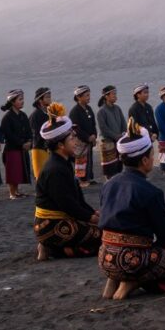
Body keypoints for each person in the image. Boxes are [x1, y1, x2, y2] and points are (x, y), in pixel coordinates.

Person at [98, 119, 165, 300]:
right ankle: (133, 281)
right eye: (153, 155)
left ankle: (114, 278)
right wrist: (160, 252)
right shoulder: (150, 192)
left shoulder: (109, 184)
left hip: (104, 257)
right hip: (132, 261)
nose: (154, 158)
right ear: (144, 160)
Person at [34, 102, 102, 260]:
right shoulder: (55, 170)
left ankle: (53, 246)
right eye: (72, 138)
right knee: (104, 237)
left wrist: (93, 213)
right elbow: (68, 205)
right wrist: (92, 219)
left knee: (103, 231)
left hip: (62, 218)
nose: (76, 141)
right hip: (51, 225)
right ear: (60, 145)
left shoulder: (63, 163)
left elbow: (77, 198)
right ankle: (51, 248)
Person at [0, 89, 33, 199]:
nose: (22, 101)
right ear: (13, 102)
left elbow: (29, 130)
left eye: (22, 99)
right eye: (20, 99)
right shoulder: (7, 117)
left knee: (19, 170)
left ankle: (17, 191)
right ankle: (12, 192)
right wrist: (21, 143)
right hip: (12, 148)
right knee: (13, 171)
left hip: (22, 148)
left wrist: (29, 141)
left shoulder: (23, 115)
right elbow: (8, 135)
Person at [70, 85, 98, 187]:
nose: (89, 97)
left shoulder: (88, 108)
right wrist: (87, 137)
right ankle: (82, 180)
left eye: (89, 95)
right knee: (81, 160)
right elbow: (76, 128)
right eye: (86, 95)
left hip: (89, 139)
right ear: (79, 97)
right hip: (80, 141)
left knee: (89, 159)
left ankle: (89, 177)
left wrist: (94, 135)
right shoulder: (75, 111)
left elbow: (93, 124)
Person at [96, 86, 125, 180]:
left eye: (115, 94)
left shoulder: (118, 108)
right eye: (113, 94)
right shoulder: (101, 111)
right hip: (107, 143)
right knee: (110, 169)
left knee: (119, 165)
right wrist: (116, 136)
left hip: (119, 141)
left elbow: (123, 123)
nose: (115, 96)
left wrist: (124, 133)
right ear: (106, 96)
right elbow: (103, 129)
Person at [30, 87, 52, 180]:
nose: (50, 99)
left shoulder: (48, 113)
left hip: (48, 147)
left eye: (49, 97)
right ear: (40, 100)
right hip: (38, 148)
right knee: (40, 175)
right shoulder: (35, 115)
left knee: (49, 174)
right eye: (47, 97)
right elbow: (36, 134)